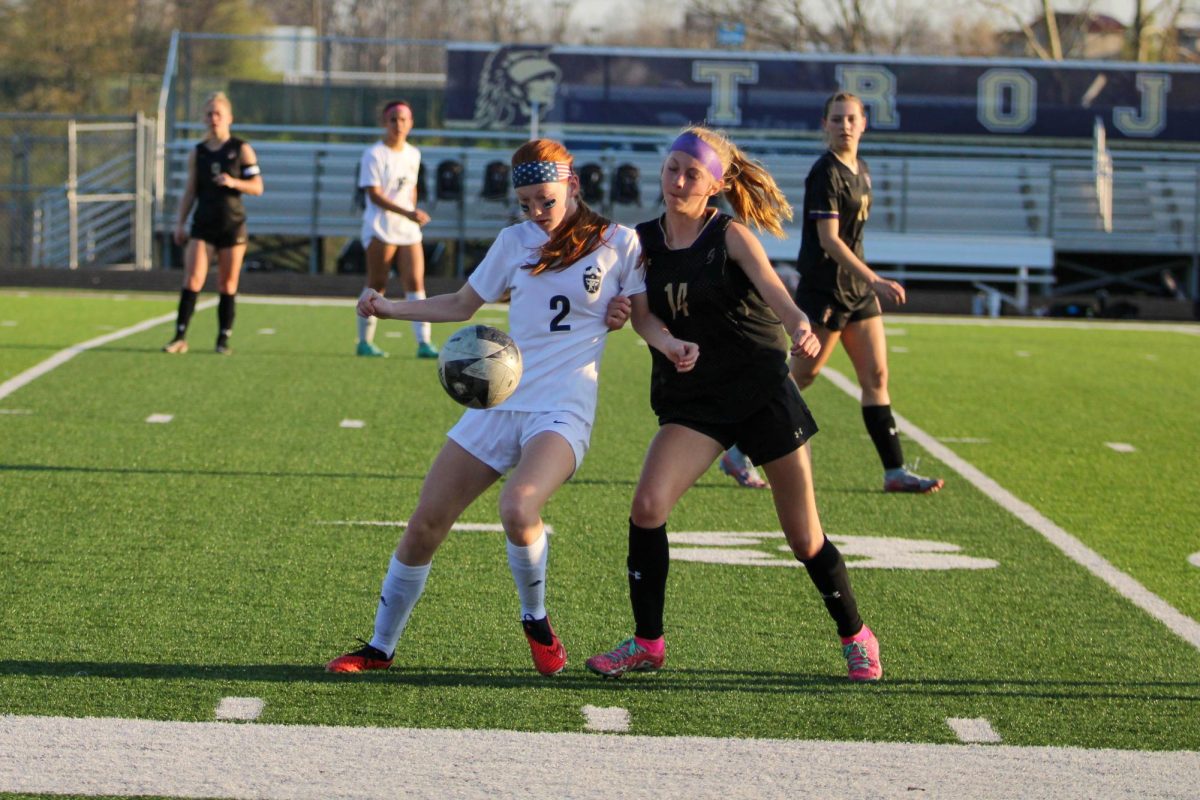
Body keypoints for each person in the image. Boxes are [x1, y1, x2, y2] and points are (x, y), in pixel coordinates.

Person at [326, 139, 695, 676]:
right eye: (525, 204)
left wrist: (669, 344)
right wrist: (388, 308)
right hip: (499, 400)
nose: (536, 214)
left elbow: (640, 319)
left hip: (562, 410)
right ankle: (380, 648)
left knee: (519, 507)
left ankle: (536, 620)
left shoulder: (621, 242)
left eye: (545, 200)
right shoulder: (513, 241)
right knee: (425, 523)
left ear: (572, 184)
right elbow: (460, 304)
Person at [587, 126, 883, 682]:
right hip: (695, 397)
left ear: (715, 184)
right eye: (672, 167)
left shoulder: (731, 236)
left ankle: (855, 634)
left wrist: (801, 327)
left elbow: (777, 294)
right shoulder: (639, 240)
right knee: (648, 506)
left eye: (691, 173)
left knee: (803, 538)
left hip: (760, 389)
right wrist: (664, 341)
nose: (677, 181)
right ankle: (647, 643)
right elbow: (644, 314)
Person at [790, 92, 943, 494]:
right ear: (825, 124)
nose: (844, 126)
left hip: (857, 291)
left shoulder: (862, 168)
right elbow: (829, 240)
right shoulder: (825, 173)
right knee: (803, 376)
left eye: (851, 118)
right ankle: (738, 449)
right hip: (825, 289)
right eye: (836, 119)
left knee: (876, 375)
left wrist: (866, 283)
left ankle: (894, 471)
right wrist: (874, 278)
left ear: (864, 123)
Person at [163, 92, 263, 355]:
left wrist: (234, 182)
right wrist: (180, 223)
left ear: (229, 117)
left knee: (227, 284)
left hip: (232, 224)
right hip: (203, 225)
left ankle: (222, 340)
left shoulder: (241, 149)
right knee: (193, 278)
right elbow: (190, 190)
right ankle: (180, 336)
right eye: (209, 114)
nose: (213, 118)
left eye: (218, 113)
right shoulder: (199, 152)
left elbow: (257, 187)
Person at [355, 99, 437, 359]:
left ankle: (424, 342)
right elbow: (374, 195)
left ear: (411, 124)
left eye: (403, 120)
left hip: (407, 228)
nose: (398, 125)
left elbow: (410, 187)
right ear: (385, 123)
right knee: (377, 284)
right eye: (393, 120)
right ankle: (364, 342)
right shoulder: (374, 154)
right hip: (381, 227)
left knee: (415, 283)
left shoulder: (413, 153)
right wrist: (407, 212)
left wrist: (413, 212)